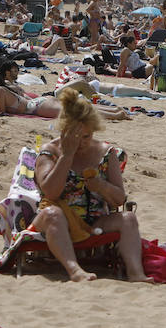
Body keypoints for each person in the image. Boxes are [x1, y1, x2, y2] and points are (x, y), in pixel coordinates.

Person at [28, 88, 150, 282]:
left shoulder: (106, 153)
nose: (81, 143)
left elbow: (120, 198)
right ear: (64, 131)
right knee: (53, 214)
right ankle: (75, 271)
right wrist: (66, 156)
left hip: (95, 221)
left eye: (86, 136)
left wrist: (102, 186)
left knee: (128, 219)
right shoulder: (50, 151)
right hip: (57, 220)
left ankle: (136, 273)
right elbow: (50, 192)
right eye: (75, 136)